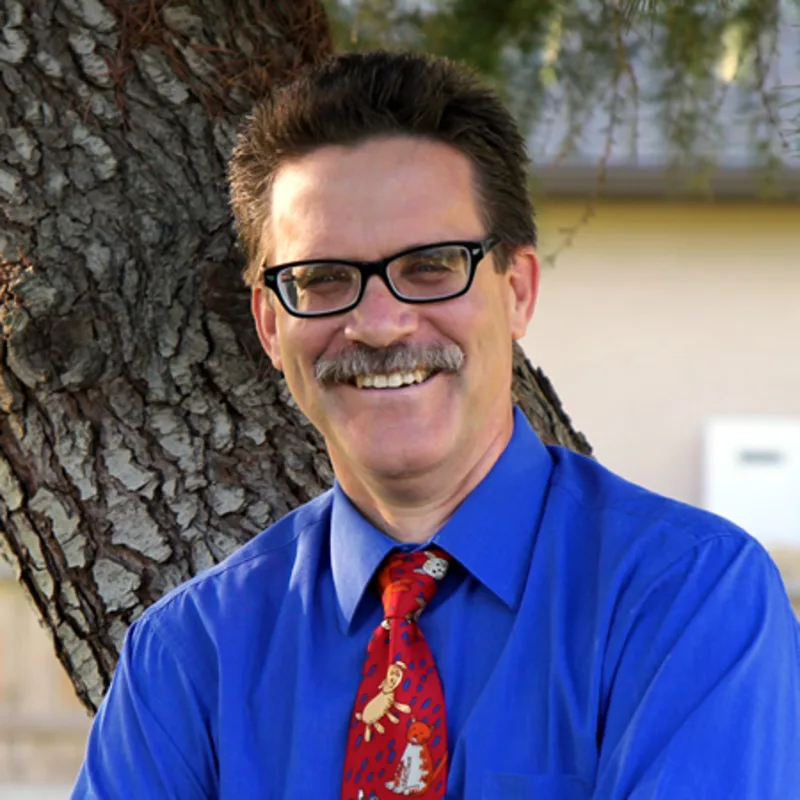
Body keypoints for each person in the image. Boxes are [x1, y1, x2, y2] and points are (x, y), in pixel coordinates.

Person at [72, 51, 800, 799]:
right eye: (322, 278)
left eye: (430, 264)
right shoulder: (189, 659)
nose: (380, 324)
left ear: (516, 290)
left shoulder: (688, 601)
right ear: (269, 326)